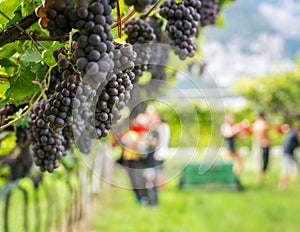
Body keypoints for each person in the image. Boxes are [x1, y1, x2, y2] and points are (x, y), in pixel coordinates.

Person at [278, 124, 300, 189]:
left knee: (298, 165)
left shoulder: (293, 137)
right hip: (287, 154)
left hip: (290, 154)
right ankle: (282, 185)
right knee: (286, 170)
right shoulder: (294, 134)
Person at [252, 112, 271, 183]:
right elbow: (262, 131)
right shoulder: (262, 123)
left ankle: (261, 177)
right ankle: (261, 177)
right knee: (264, 161)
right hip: (264, 143)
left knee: (260, 160)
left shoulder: (256, 123)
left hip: (259, 143)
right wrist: (264, 140)